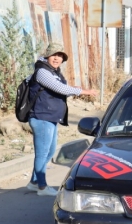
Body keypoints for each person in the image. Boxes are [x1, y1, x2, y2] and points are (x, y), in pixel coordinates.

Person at [26, 46, 96, 196]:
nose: (57, 58)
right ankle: (42, 187)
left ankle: (33, 182)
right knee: (42, 153)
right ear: (46, 56)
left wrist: (72, 88)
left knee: (49, 151)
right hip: (42, 117)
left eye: (60, 56)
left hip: (50, 117)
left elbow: (60, 88)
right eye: (54, 55)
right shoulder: (42, 71)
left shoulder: (53, 71)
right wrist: (84, 91)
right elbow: (59, 88)